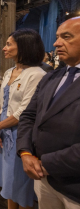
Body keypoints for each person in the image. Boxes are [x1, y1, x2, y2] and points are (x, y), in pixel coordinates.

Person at [17, 17, 80, 209]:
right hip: (43, 179)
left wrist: (46, 163)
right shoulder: (51, 77)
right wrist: (25, 152)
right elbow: (29, 116)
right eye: (57, 37)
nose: (56, 43)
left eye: (66, 37)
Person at [0, 29, 46, 209]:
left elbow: (23, 112)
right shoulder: (9, 71)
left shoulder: (36, 74)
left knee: (20, 184)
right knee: (8, 181)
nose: (4, 48)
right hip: (4, 132)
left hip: (21, 134)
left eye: (9, 44)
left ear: (24, 47)